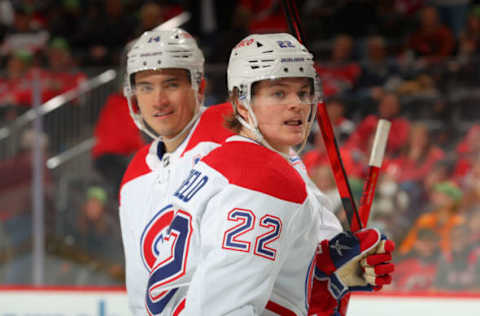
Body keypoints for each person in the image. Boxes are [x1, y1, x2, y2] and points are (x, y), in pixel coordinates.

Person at [145, 33, 394, 316]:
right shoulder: (265, 178)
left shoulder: (226, 160)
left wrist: (323, 275)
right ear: (241, 103)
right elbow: (222, 309)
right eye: (279, 92)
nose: (297, 104)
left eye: (303, 92)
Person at [119, 28, 234, 315]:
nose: (158, 101)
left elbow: (307, 216)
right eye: (146, 87)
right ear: (133, 96)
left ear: (200, 87)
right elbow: (140, 282)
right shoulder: (134, 175)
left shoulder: (234, 132)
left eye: (170, 85)